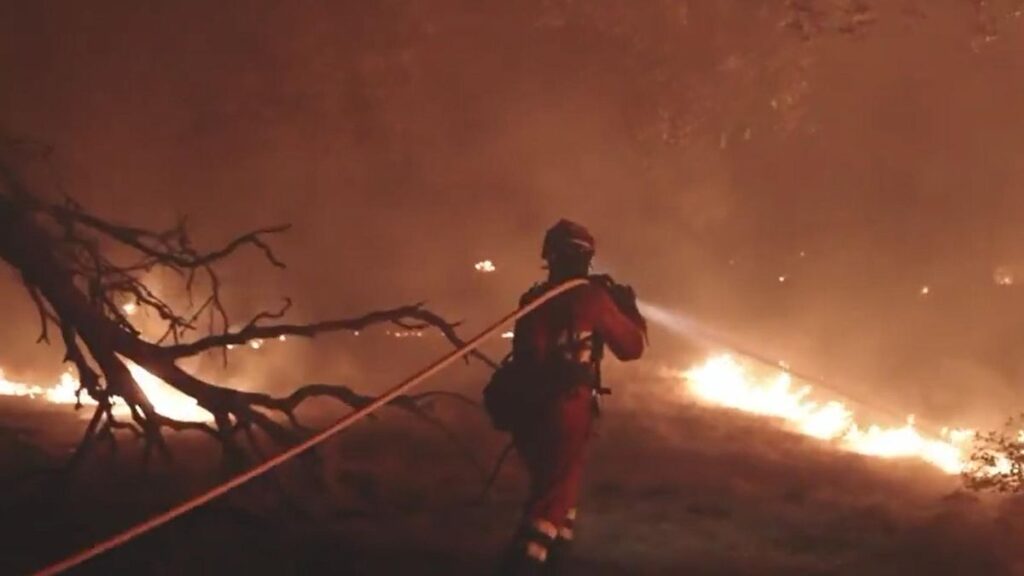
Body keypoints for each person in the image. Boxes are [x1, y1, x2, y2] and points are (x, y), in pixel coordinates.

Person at [499, 219, 647, 575]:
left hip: (528, 411)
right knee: (550, 505)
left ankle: (554, 563)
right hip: (568, 409)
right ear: (586, 257)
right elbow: (631, 347)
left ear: (550, 256)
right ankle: (525, 565)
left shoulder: (533, 299)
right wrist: (628, 310)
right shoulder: (591, 298)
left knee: (560, 497)